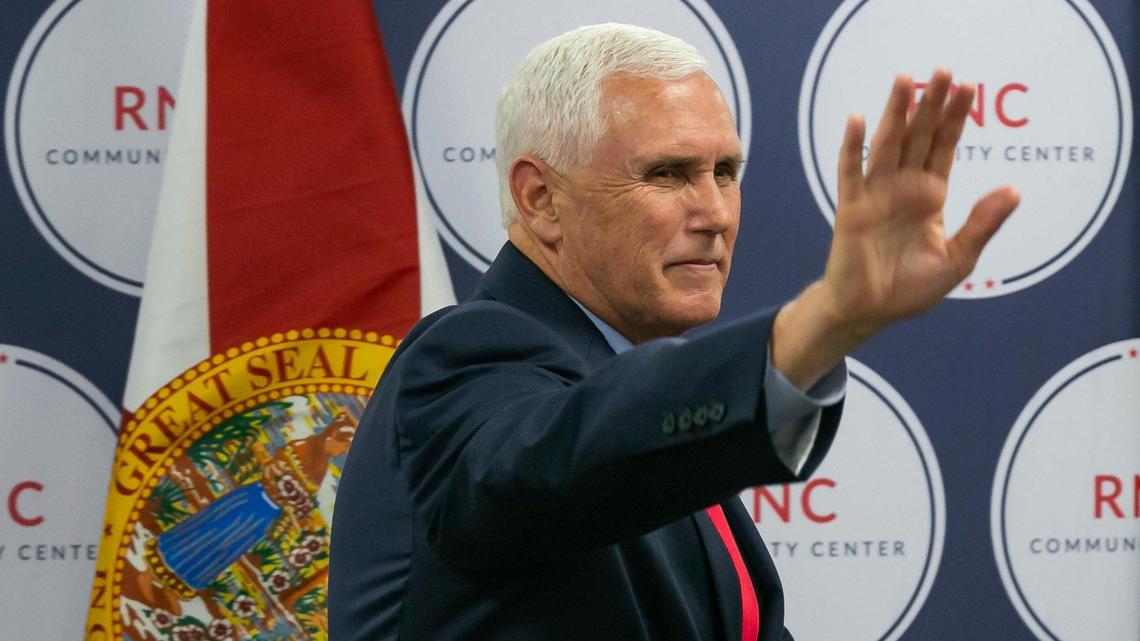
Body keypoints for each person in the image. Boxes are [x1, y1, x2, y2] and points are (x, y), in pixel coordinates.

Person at [328, 23, 1018, 641]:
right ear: (541, 199)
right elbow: (565, 454)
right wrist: (828, 319)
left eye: (725, 172)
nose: (715, 213)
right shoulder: (464, 359)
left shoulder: (651, 414)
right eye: (668, 174)